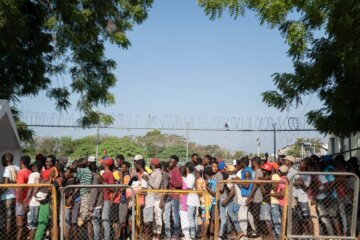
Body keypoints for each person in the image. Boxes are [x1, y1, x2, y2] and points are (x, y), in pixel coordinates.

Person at [142, 158, 163, 240]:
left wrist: (148, 180)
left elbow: (156, 186)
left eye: (151, 163)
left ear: (153, 165)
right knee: (154, 218)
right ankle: (154, 235)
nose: (150, 165)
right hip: (152, 199)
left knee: (158, 218)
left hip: (157, 198)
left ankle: (158, 236)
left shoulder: (158, 173)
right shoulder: (154, 172)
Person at [164, 155, 182, 239]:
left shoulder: (176, 171)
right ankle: (168, 235)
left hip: (174, 196)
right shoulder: (169, 171)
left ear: (176, 163)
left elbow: (179, 184)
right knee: (166, 216)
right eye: (170, 161)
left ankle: (176, 234)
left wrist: (170, 180)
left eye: (172, 162)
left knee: (175, 216)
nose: (170, 163)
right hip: (168, 196)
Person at [1, 153, 19, 238]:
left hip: (7, 197)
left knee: (7, 219)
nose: (2, 161)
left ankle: (7, 236)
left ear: (6, 159)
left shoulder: (7, 169)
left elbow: (5, 185)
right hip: (16, 196)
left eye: (2, 159)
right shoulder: (17, 168)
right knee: (13, 218)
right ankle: (12, 235)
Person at [222, 165, 241, 239]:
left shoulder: (230, 178)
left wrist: (226, 199)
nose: (225, 171)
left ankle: (239, 231)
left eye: (226, 170)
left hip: (234, 200)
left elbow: (232, 191)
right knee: (231, 217)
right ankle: (232, 234)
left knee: (231, 215)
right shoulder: (235, 177)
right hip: (238, 199)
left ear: (229, 171)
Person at [16, 155, 32, 240]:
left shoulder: (21, 172)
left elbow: (20, 187)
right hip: (29, 200)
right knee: (27, 224)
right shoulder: (30, 172)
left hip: (22, 201)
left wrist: (20, 201)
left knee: (20, 225)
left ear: (21, 162)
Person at [246, 156, 263, 236]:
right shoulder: (255, 171)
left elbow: (255, 186)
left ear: (254, 163)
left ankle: (258, 232)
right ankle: (256, 231)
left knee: (256, 216)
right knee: (253, 214)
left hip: (257, 197)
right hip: (255, 196)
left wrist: (250, 197)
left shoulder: (259, 172)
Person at [26, 161, 42, 240]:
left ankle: (31, 238)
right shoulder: (40, 175)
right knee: (34, 223)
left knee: (33, 225)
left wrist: (26, 199)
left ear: (33, 167)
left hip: (33, 202)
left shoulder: (32, 174)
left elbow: (31, 188)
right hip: (38, 202)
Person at [184, 162, 200, 239]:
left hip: (191, 199)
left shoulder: (190, 176)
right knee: (194, 217)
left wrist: (183, 178)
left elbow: (189, 187)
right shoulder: (192, 176)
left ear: (187, 168)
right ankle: (194, 233)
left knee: (190, 217)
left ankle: (193, 235)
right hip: (193, 199)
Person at [101, 157, 115, 240]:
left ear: (106, 164)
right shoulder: (104, 173)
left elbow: (113, 188)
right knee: (103, 220)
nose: (101, 163)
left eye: (103, 162)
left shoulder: (109, 173)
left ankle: (107, 238)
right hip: (103, 199)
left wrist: (104, 183)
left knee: (105, 220)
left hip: (107, 199)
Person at [88, 160, 103, 240]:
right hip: (92, 203)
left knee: (95, 223)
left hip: (95, 205)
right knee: (92, 223)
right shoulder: (91, 174)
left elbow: (95, 191)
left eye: (93, 163)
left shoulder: (95, 175)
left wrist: (91, 205)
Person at [260, 163, 273, 239]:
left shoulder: (268, 180)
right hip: (264, 201)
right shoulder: (265, 179)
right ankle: (267, 234)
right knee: (264, 219)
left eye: (264, 170)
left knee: (266, 219)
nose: (262, 171)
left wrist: (261, 184)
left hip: (266, 201)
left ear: (267, 171)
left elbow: (264, 192)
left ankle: (270, 235)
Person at [179, 166, 190, 240]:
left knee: (184, 219)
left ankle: (187, 236)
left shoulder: (181, 180)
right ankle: (187, 235)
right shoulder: (187, 179)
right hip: (187, 201)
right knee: (186, 218)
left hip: (183, 202)